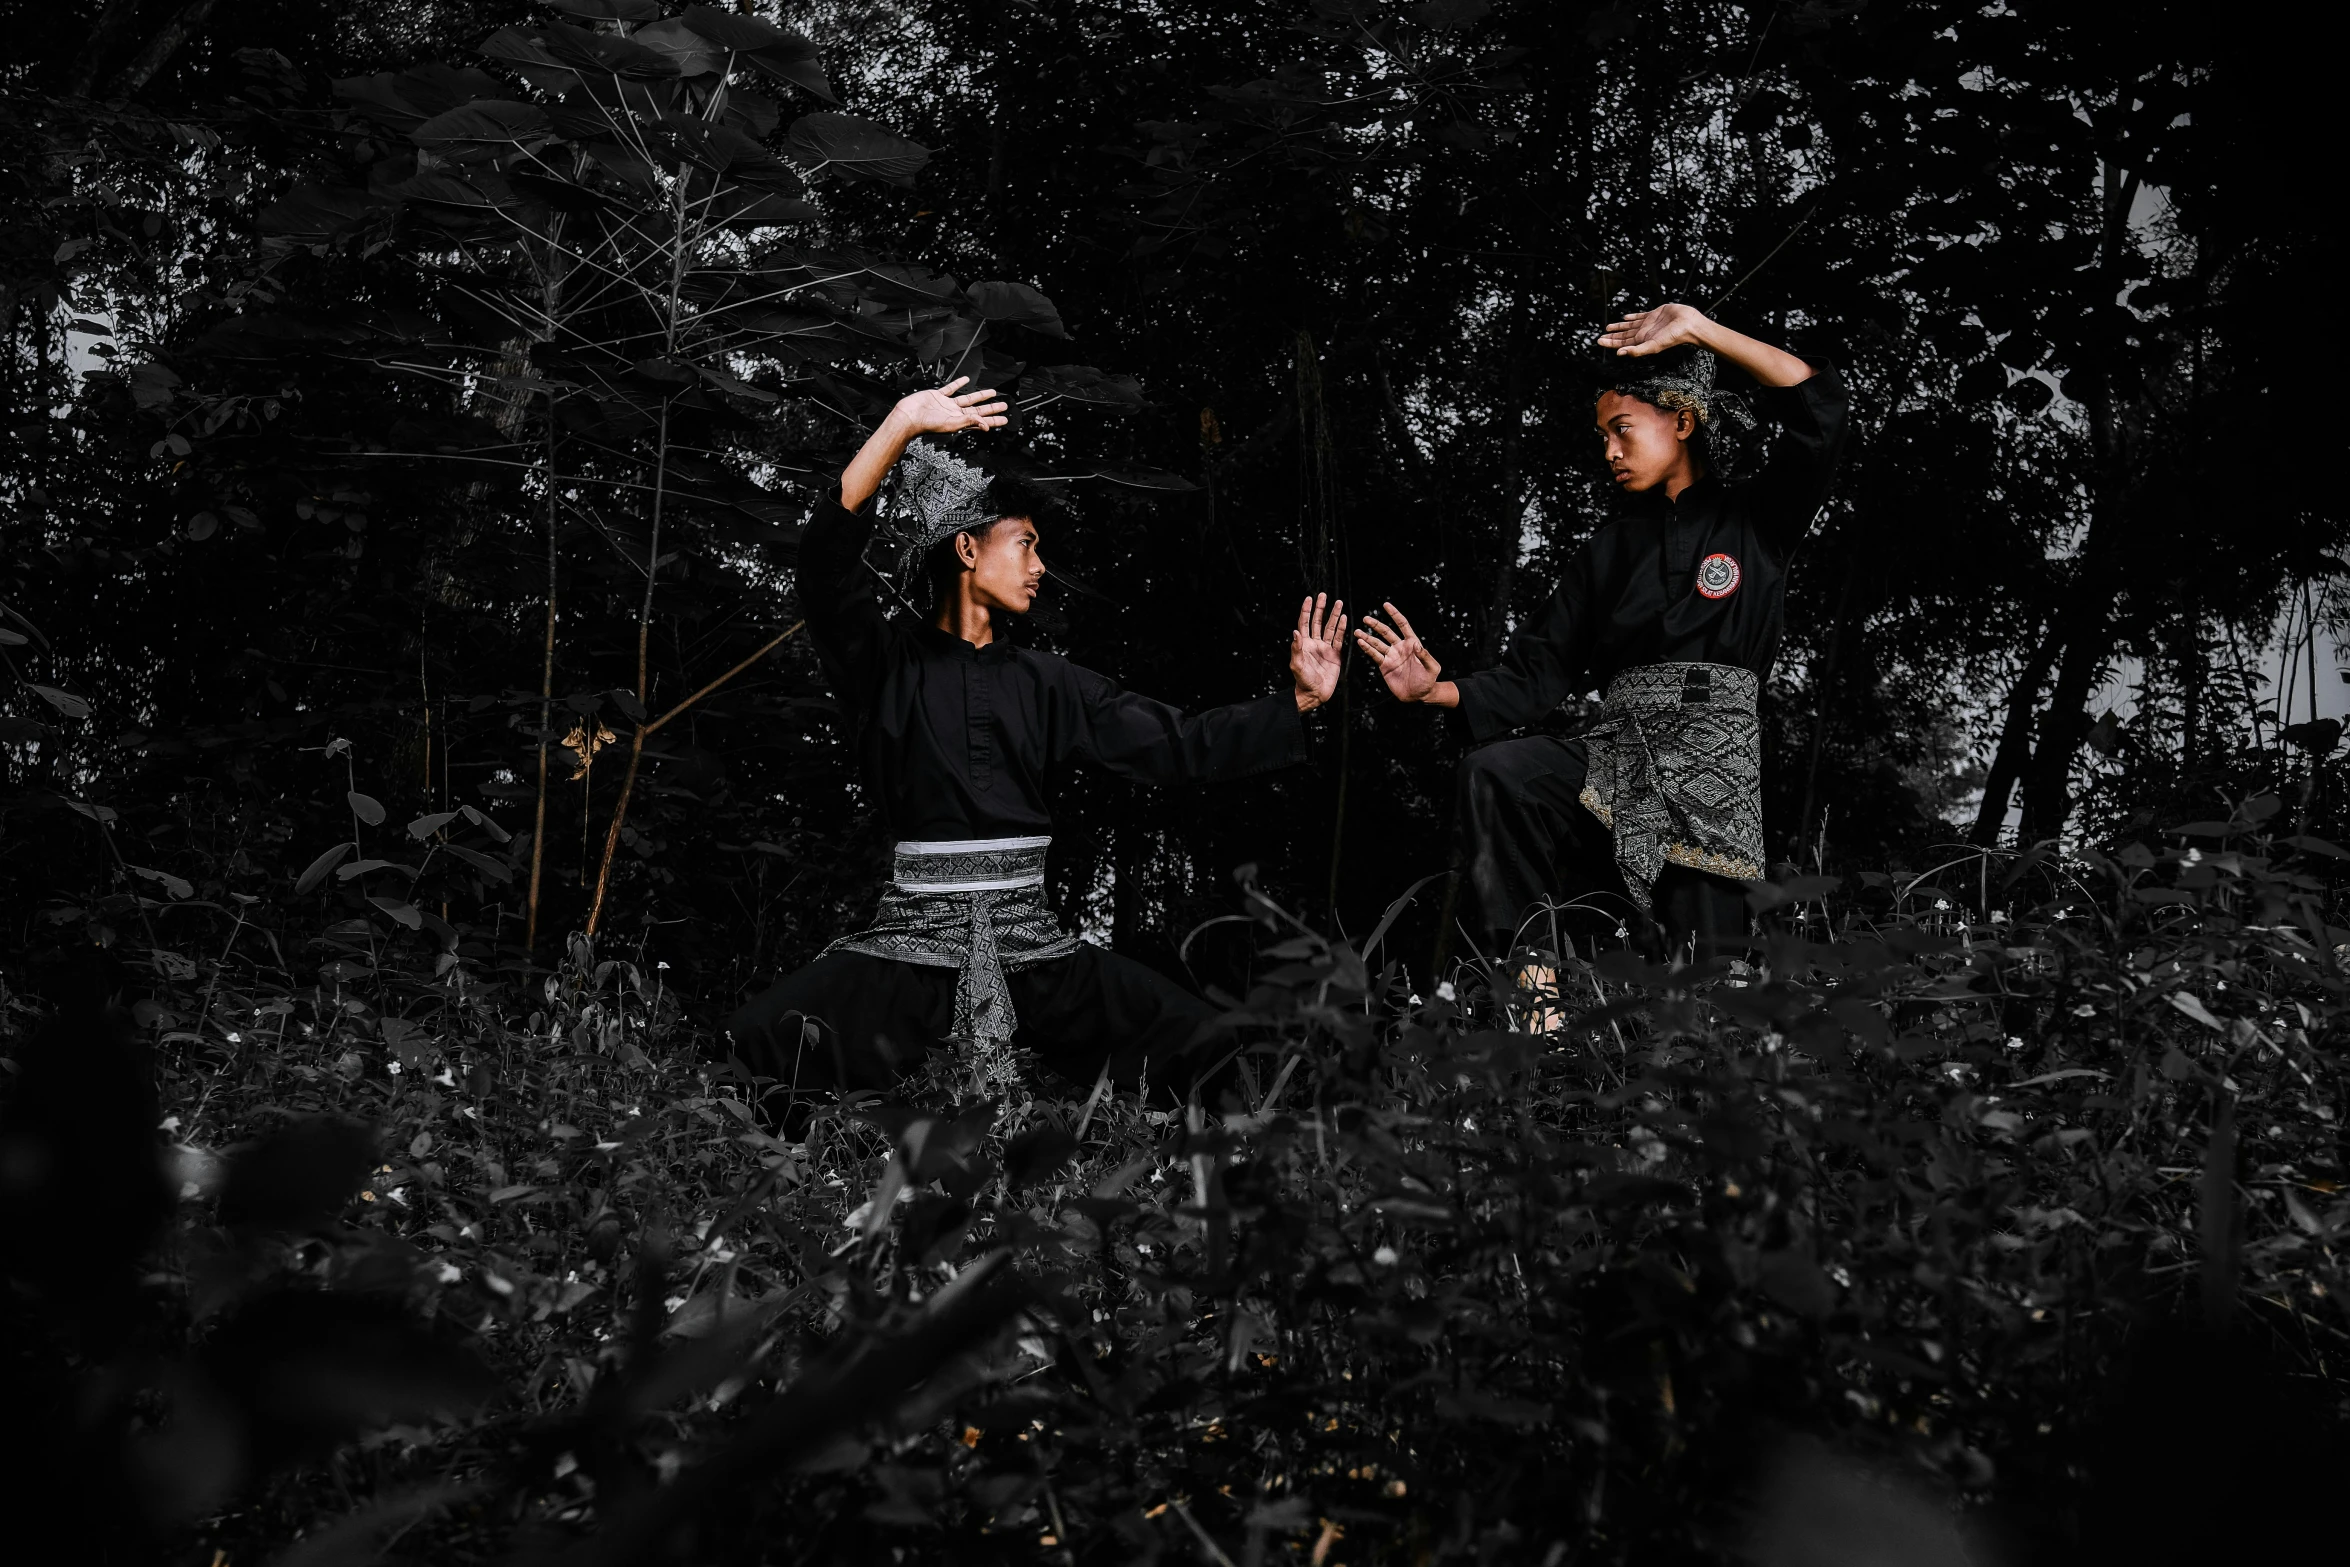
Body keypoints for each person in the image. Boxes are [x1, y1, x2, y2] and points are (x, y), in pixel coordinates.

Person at [722, 377, 1347, 1112]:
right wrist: (901, 423)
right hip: (911, 951)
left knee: (1209, 1051)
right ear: (965, 547)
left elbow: (1176, 741)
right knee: (755, 1048)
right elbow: (825, 564)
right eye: (1025, 543)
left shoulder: (1050, 683)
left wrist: (1298, 703)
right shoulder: (883, 664)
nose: (1039, 565)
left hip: (1036, 953)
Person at [1354, 302, 1848, 970]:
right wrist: (1433, 690)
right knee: (1501, 772)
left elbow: (1816, 410)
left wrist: (1699, 328)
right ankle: (1535, 997)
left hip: (1712, 760)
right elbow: (1536, 673)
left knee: (1702, 970)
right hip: (1614, 751)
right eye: (1601, 436)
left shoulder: (1757, 520)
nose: (1609, 451)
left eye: (1621, 429)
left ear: (1680, 419)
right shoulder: (1608, 551)